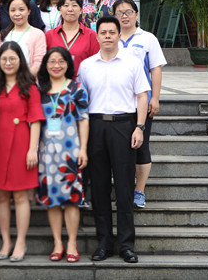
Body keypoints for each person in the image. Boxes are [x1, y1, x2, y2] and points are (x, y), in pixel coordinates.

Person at [77, 16, 150, 264]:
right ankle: (104, 243)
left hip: (124, 126)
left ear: (119, 35)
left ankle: (126, 245)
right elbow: (80, 101)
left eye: (112, 32)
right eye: (103, 32)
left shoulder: (132, 63)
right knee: (99, 188)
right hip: (95, 126)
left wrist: (139, 127)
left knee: (124, 188)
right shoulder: (86, 66)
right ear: (97, 36)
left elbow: (142, 96)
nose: (107, 36)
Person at [0, 41, 45, 262]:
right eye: (4, 59)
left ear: (20, 60)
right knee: (1, 195)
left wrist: (32, 150)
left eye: (13, 58)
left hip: (22, 142)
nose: (8, 63)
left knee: (21, 196)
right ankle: (6, 241)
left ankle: (20, 241)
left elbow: (36, 119)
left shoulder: (30, 86)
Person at [35, 46, 89, 263]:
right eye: (52, 61)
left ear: (68, 64)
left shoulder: (76, 88)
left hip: (70, 149)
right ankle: (58, 242)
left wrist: (83, 149)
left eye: (61, 61)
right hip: (46, 151)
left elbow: (83, 119)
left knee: (72, 198)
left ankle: (72, 243)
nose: (56, 65)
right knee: (53, 198)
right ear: (45, 65)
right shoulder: (39, 89)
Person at [114, 0, 167, 210]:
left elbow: (155, 69)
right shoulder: (110, 37)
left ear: (136, 14)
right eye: (119, 12)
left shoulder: (147, 38)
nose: (124, 16)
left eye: (128, 12)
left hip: (141, 102)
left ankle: (139, 190)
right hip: (117, 103)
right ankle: (123, 189)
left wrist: (155, 97)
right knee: (119, 147)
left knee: (141, 146)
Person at [45, 0, 100, 72]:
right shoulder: (49, 35)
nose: (70, 9)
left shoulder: (91, 35)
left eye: (74, 5)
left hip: (82, 79)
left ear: (81, 10)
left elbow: (96, 64)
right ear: (60, 9)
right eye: (66, 5)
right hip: (56, 79)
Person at [0, 0, 47, 75]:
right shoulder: (2, 35)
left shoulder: (38, 34)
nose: (17, 14)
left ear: (29, 11)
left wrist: (21, 80)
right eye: (13, 10)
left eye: (21, 9)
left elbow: (38, 64)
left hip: (28, 80)